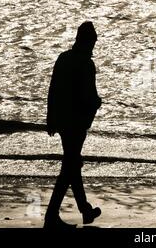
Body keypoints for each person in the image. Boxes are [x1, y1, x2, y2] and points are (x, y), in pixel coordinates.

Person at [44, 21, 102, 228]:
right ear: (88, 42)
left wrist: (50, 119)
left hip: (63, 121)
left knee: (72, 165)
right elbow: (88, 96)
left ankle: (85, 210)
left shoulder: (64, 58)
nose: (93, 47)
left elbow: (53, 91)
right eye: (93, 42)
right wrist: (97, 102)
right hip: (77, 123)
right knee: (69, 168)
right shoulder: (86, 64)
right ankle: (51, 216)